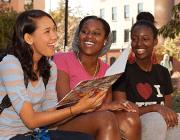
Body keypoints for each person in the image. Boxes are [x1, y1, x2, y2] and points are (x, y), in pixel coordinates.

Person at [0, 10, 110, 140]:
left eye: (54, 30)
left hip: (35, 134)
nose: (54, 36)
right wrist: (77, 108)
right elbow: (31, 120)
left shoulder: (50, 67)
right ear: (29, 38)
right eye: (47, 31)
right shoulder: (11, 63)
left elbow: (50, 117)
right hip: (8, 136)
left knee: (85, 138)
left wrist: (84, 108)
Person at [53, 15, 140, 140]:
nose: (89, 36)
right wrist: (107, 107)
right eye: (84, 31)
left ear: (105, 40)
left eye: (96, 33)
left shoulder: (106, 69)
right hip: (63, 120)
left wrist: (121, 105)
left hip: (95, 118)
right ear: (78, 35)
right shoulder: (62, 58)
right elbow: (65, 104)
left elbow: (108, 105)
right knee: (106, 118)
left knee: (130, 118)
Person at [112, 12, 180, 140]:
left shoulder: (163, 72)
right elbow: (120, 112)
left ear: (155, 41)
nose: (138, 44)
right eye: (134, 38)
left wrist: (160, 110)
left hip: (158, 123)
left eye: (145, 39)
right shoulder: (122, 71)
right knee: (156, 119)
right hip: (133, 125)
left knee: (177, 120)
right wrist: (153, 108)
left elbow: (167, 110)